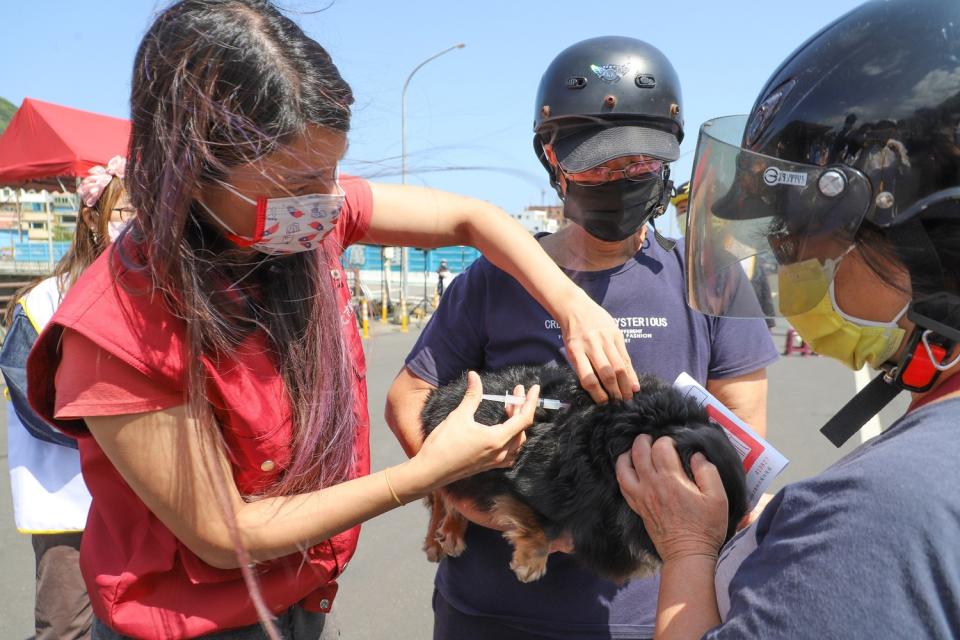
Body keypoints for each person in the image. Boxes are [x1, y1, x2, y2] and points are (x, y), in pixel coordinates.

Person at [23, 3, 636, 639]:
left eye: (331, 171)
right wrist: (426, 475)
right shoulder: (117, 330)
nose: (326, 199)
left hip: (305, 603)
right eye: (298, 179)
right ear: (193, 166)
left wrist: (574, 306)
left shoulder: (300, 221)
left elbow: (472, 220)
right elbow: (221, 534)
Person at [386, 36, 778, 640]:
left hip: (655, 615)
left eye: (639, 164)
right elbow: (408, 400)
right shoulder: (493, 279)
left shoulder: (712, 279)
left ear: (668, 163)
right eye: (598, 164)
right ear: (553, 161)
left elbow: (741, 451)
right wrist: (473, 503)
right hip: (490, 614)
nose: (619, 180)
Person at [616, 1, 960, 637]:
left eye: (800, 229)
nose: (786, 256)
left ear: (928, 240)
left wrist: (688, 547)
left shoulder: (878, 517)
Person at [0, 156, 131, 640]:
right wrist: (122, 439)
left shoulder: (152, 294)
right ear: (93, 218)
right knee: (65, 623)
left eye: (147, 213)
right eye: (125, 212)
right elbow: (31, 398)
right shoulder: (42, 301)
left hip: (143, 494)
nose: (136, 225)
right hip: (67, 497)